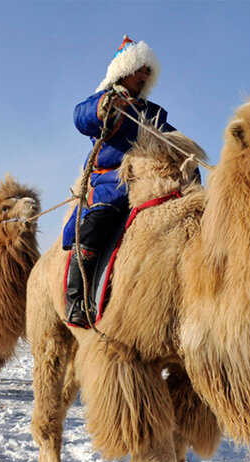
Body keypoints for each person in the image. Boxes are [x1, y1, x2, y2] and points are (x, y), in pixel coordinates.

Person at [62, 36, 196, 327]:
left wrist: (189, 156)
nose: (145, 75)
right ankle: (76, 302)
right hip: (111, 186)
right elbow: (80, 117)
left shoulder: (152, 113)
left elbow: (175, 141)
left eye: (149, 71)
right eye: (140, 68)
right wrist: (105, 106)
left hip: (149, 184)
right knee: (93, 230)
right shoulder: (105, 101)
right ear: (125, 68)